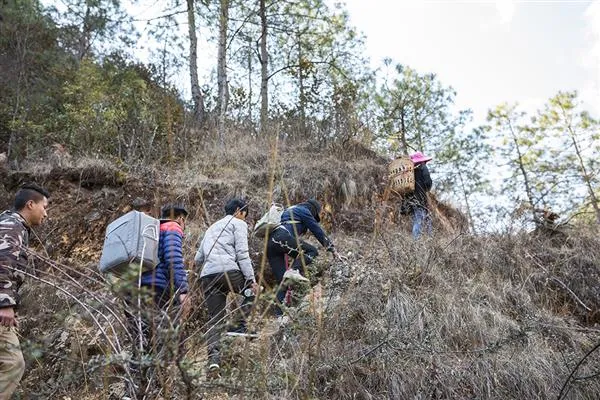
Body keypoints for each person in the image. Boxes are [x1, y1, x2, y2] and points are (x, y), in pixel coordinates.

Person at [195, 198, 258, 375]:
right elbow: (242, 254)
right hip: (228, 271)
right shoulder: (237, 223)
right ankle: (239, 325)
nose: (244, 218)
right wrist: (251, 279)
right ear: (239, 211)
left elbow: (198, 258)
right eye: (245, 214)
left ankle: (213, 362)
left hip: (208, 276)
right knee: (252, 292)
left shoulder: (210, 228)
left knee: (215, 319)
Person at [0, 183, 49, 399]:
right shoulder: (12, 226)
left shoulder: (8, 223)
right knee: (13, 364)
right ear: (30, 204)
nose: (45, 213)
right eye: (44, 207)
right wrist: (5, 304)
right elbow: (3, 264)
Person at [266, 199, 340, 320]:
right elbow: (317, 230)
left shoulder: (288, 211)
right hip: (282, 237)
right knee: (312, 251)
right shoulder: (304, 211)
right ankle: (294, 270)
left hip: (270, 244)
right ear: (313, 210)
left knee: (283, 281)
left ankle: (278, 316)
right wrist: (333, 250)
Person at [136, 204, 190, 356]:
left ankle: (138, 376)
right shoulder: (173, 227)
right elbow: (174, 258)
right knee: (164, 335)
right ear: (180, 218)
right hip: (156, 289)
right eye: (184, 221)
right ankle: (163, 375)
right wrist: (183, 289)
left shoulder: (152, 230)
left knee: (141, 337)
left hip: (135, 287)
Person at [407, 152, 433, 238]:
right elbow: (428, 183)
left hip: (409, 201)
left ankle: (428, 240)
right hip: (420, 200)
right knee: (419, 220)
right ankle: (416, 242)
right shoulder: (423, 167)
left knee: (421, 220)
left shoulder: (409, 171)